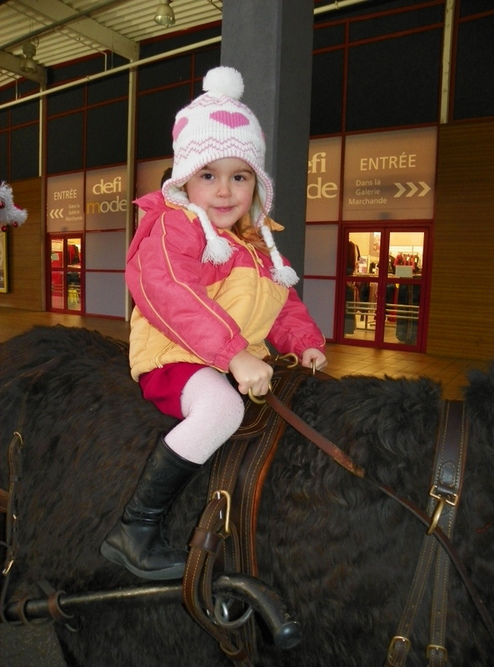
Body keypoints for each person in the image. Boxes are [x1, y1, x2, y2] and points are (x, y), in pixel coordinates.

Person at [100, 66, 327, 581]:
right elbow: (169, 292)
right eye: (209, 175)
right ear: (185, 179)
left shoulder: (256, 241)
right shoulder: (172, 226)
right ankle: (135, 529)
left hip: (225, 358)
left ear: (256, 184)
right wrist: (234, 354)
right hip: (174, 357)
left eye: (239, 176)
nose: (224, 191)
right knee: (223, 409)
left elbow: (281, 304)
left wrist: (305, 342)